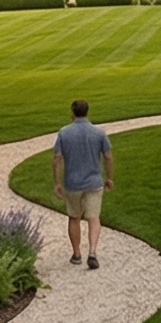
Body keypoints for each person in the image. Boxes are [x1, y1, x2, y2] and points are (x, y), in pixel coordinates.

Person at [52, 100, 113, 271]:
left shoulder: (64, 133)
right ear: (87, 111)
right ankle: (92, 252)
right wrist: (109, 178)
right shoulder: (98, 132)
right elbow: (108, 156)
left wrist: (57, 182)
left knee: (74, 217)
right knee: (94, 218)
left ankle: (77, 253)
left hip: (72, 183)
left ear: (73, 112)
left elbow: (57, 159)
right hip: (94, 182)